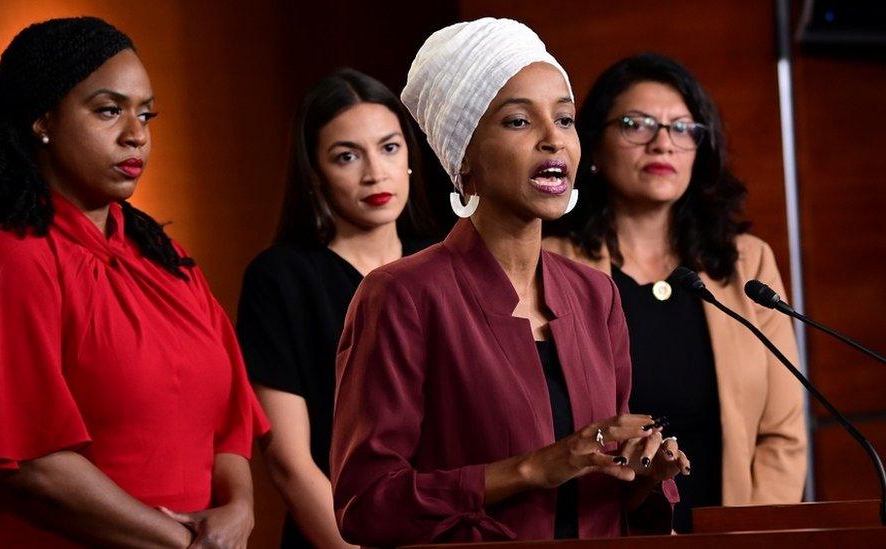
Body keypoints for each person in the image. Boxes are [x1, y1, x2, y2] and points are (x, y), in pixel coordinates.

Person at [330, 19, 687, 547]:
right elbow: (366, 506)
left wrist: (646, 475)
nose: (554, 140)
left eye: (564, 119)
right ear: (463, 159)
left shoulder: (596, 295)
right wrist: (531, 469)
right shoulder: (401, 295)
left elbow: (607, 498)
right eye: (519, 121)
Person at [0, 17, 268, 548]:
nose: (137, 135)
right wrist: (182, 541)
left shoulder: (165, 258)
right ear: (44, 120)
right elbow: (32, 463)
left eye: (145, 114)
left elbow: (231, 420)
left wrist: (239, 508)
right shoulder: (5, 263)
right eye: (109, 111)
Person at [543, 53, 807, 532]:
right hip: (601, 531)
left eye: (684, 129)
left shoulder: (745, 263)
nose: (663, 143)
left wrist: (753, 536)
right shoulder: (551, 265)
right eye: (636, 124)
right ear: (593, 149)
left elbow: (782, 434)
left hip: (731, 533)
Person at [236, 68, 435, 549]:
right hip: (337, 536)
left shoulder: (450, 261)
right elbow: (289, 462)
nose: (374, 173)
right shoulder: (281, 278)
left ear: (409, 155)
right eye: (347, 156)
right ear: (315, 173)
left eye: (389, 148)